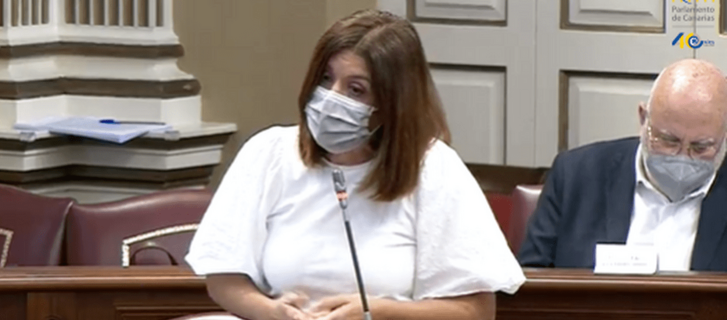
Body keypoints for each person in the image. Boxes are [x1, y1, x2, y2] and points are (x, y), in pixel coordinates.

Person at [185, 9, 524, 320]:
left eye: (356, 89)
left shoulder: (434, 168)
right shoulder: (269, 153)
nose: (331, 98)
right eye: (325, 80)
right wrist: (270, 311)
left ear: (393, 102)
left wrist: (378, 311)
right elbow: (223, 277)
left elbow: (475, 311)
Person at [519, 58, 727, 271]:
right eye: (668, 141)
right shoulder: (576, 175)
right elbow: (532, 281)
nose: (682, 157)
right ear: (643, 118)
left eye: (701, 147)